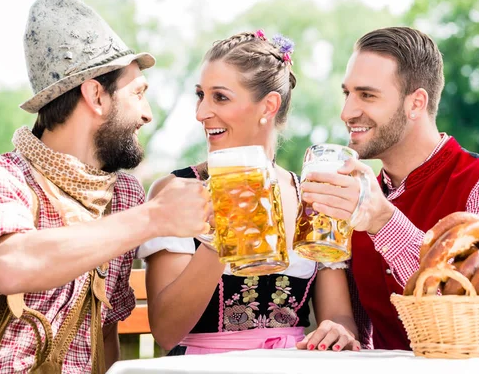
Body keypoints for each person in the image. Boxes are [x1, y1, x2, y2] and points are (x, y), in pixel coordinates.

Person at [0, 0, 209, 373]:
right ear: (95, 95)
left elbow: (103, 333)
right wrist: (154, 218)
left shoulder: (123, 196)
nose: (147, 114)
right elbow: (13, 263)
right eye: (138, 93)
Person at [137, 30, 361, 356]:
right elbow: (166, 332)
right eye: (200, 95)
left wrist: (337, 331)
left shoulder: (310, 196)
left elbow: (339, 317)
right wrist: (223, 236)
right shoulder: (177, 190)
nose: (201, 113)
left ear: (269, 105)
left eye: (220, 97)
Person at [300, 26, 479, 350]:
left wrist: (384, 222)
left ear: (416, 103)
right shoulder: (357, 200)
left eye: (367, 95)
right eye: (346, 93)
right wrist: (342, 337)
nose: (346, 112)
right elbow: (360, 336)